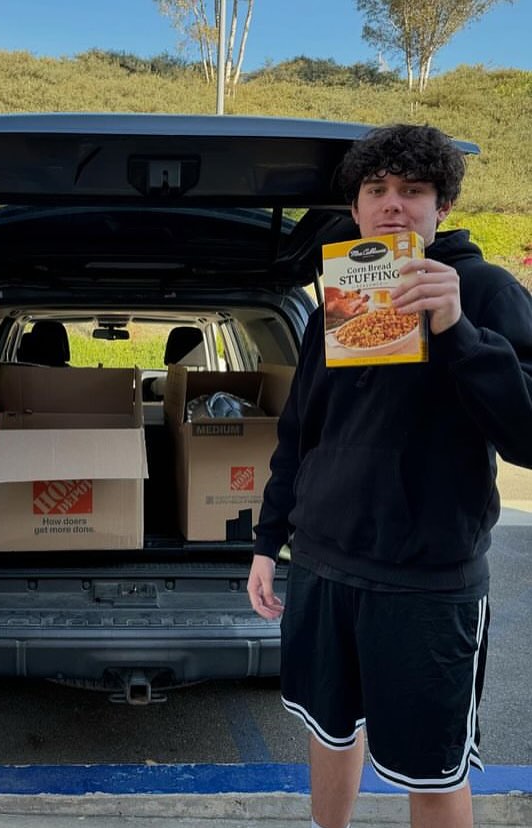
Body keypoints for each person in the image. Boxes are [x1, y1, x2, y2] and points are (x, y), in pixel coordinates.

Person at [247, 124, 532, 828]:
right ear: (357, 208)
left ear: (441, 207)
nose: (393, 204)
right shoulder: (333, 305)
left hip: (425, 583)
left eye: (413, 190)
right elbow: (300, 435)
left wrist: (459, 331)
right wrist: (268, 539)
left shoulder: (486, 292)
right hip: (322, 565)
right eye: (377, 190)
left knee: (432, 772)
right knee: (327, 730)